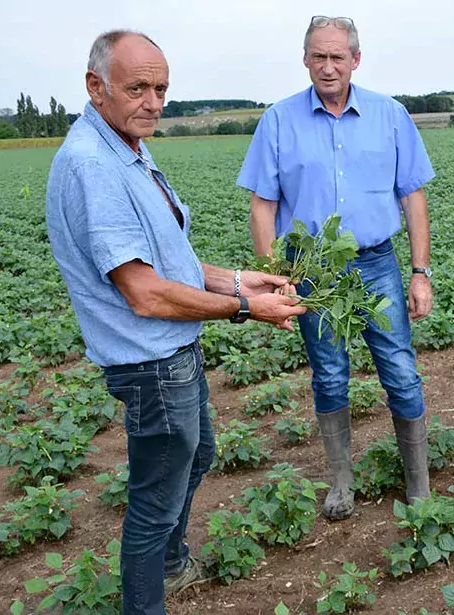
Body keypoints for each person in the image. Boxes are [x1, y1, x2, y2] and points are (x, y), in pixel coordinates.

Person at [45, 30, 306, 615]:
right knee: (154, 501)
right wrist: (246, 308)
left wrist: (239, 281)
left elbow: (167, 262)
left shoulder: (127, 147)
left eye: (161, 88)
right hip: (150, 360)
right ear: (96, 86)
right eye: (137, 87)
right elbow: (144, 292)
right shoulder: (94, 165)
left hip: (171, 353)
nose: (154, 102)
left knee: (199, 454)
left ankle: (170, 564)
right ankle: (147, 599)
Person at [237, 15, 436, 520]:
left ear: (356, 60)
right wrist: (276, 275)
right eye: (319, 57)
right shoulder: (279, 120)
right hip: (314, 275)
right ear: (305, 59)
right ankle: (341, 483)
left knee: (400, 370)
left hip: (377, 265)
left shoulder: (389, 115)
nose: (328, 67)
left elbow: (413, 196)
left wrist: (419, 272)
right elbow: (263, 206)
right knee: (328, 375)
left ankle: (419, 485)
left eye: (337, 57)